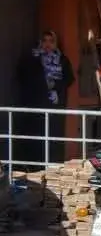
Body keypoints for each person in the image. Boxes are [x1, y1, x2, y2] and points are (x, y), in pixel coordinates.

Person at [15, 30, 75, 169]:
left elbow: (69, 78)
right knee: (36, 137)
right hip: (35, 104)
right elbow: (23, 76)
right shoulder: (32, 57)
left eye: (51, 41)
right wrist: (43, 83)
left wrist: (55, 85)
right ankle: (34, 167)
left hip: (55, 106)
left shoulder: (62, 59)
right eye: (45, 40)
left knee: (53, 137)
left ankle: (53, 166)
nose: (47, 44)